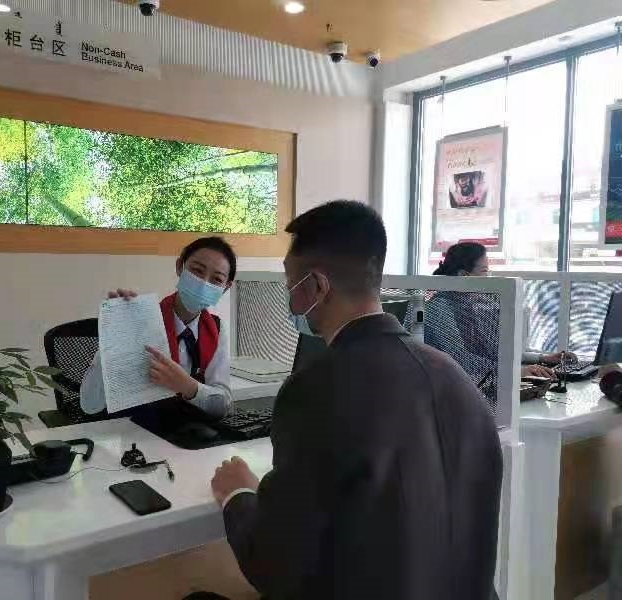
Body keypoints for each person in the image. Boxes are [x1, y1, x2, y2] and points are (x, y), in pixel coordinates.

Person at [210, 200, 503, 600]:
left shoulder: (314, 390)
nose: (290, 300)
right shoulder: (454, 377)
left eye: (291, 285)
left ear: (317, 286)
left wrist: (238, 496)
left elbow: (276, 566)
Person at [79, 236, 235, 420]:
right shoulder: (142, 321)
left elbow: (223, 405)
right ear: (180, 267)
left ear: (226, 288)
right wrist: (115, 339)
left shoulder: (215, 329)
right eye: (197, 270)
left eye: (217, 279)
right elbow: (90, 404)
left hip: (182, 430)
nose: (204, 283)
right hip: (131, 428)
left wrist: (187, 386)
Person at [433, 241, 574, 379]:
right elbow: (462, 360)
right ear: (464, 276)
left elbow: (494, 351)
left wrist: (542, 358)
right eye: (484, 271)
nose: (488, 278)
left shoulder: (467, 305)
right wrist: (517, 372)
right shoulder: (440, 308)